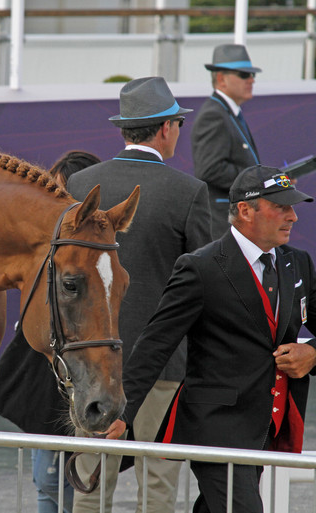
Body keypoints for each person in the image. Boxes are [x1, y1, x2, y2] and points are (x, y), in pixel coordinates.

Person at [106, 165, 316, 512]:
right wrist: (124, 412)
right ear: (245, 210)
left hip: (267, 425)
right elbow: (155, 343)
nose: (293, 216)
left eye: (293, 206)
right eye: (281, 206)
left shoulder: (297, 264)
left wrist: (314, 353)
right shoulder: (200, 267)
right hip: (215, 429)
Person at [65, 76, 212, 513]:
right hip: (166, 364)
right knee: (159, 490)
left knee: (89, 486)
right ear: (166, 128)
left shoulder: (80, 186)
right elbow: (203, 286)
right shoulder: (188, 193)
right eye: (178, 124)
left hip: (92, 363)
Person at [0, 151, 101, 513]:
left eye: (59, 189)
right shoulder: (43, 243)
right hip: (46, 376)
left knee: (70, 485)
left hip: (81, 370)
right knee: (48, 483)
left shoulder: (93, 251)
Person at [191, 43, 262, 239]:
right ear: (221, 78)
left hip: (234, 223)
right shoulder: (214, 114)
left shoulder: (228, 112)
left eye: (252, 75)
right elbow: (210, 169)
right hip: (224, 226)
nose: (251, 80)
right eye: (243, 75)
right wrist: (259, 181)